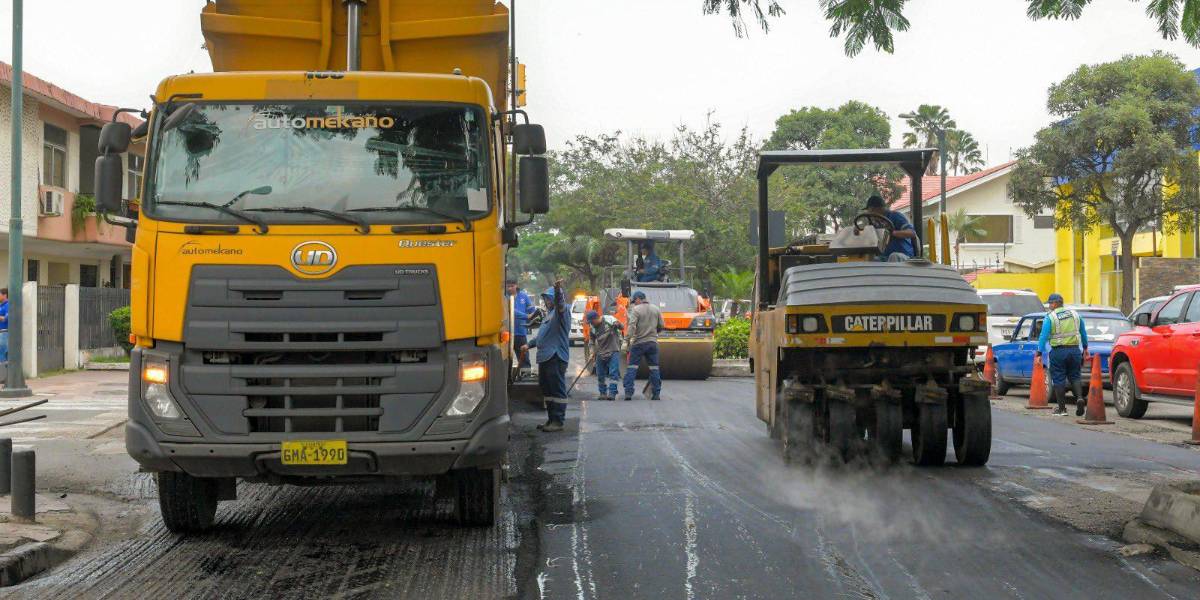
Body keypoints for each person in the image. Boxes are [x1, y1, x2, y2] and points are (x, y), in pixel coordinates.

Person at [522, 279, 571, 431]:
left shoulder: (561, 313)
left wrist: (557, 291)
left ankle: (558, 421)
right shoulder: (549, 315)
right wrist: (528, 345)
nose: (547, 301)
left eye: (549, 298)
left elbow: (561, 304)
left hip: (555, 356)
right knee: (547, 389)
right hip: (545, 357)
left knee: (556, 389)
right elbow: (541, 336)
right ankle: (551, 419)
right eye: (545, 299)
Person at [1036, 293, 1089, 416]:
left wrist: (1039, 352)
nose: (1049, 306)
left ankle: (1062, 409)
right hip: (1075, 351)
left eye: (1050, 303)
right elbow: (1083, 332)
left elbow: (1043, 336)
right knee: (1075, 376)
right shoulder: (1075, 314)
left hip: (1059, 352)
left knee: (1059, 378)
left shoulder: (1051, 317)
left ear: (1055, 303)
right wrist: (1085, 348)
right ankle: (1080, 398)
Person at [622, 290, 665, 401]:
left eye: (634, 301)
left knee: (632, 368)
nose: (634, 304)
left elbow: (632, 327)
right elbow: (661, 325)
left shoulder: (636, 310)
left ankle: (628, 393)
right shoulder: (656, 309)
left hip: (639, 343)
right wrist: (653, 332)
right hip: (652, 343)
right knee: (654, 369)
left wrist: (626, 340)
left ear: (638, 299)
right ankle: (656, 394)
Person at [864, 195, 917, 262]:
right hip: (885, 257)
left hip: (904, 256)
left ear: (877, 208)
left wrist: (892, 233)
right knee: (870, 259)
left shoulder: (896, 216)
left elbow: (912, 233)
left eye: (871, 210)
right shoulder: (875, 223)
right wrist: (859, 231)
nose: (870, 214)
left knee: (894, 256)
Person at [586, 310, 624, 401]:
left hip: (613, 350)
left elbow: (622, 327)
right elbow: (591, 341)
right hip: (600, 352)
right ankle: (602, 393)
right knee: (600, 374)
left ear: (596, 318)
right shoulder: (593, 327)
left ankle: (612, 392)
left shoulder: (609, 319)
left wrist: (617, 324)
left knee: (613, 373)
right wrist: (591, 352)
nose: (591, 323)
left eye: (591, 321)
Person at [507, 279, 535, 379]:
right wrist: (527, 316)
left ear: (516, 285)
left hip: (520, 333)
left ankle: (526, 376)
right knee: (506, 358)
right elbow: (510, 310)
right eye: (508, 286)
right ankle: (507, 378)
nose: (510, 288)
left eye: (512, 286)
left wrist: (533, 312)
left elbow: (531, 308)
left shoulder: (523, 296)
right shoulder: (504, 297)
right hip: (507, 334)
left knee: (524, 357)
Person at [0, 288, 8, 363]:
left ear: (4, 295)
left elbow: (6, 318)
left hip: (4, 332)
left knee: (2, 352)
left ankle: (3, 372)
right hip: (1, 332)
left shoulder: (8, 305)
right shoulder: (1, 305)